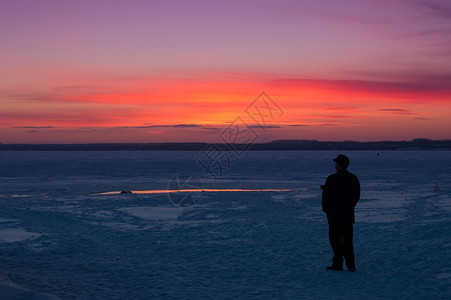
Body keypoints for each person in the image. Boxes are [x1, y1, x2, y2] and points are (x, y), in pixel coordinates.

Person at [322, 154, 360, 272]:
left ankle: (338, 264)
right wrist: (350, 206)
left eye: (336, 163)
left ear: (339, 165)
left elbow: (326, 197)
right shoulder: (353, 178)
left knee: (335, 240)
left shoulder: (332, 179)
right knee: (348, 241)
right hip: (347, 215)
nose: (335, 165)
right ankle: (351, 265)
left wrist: (326, 209)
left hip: (335, 216)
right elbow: (356, 196)